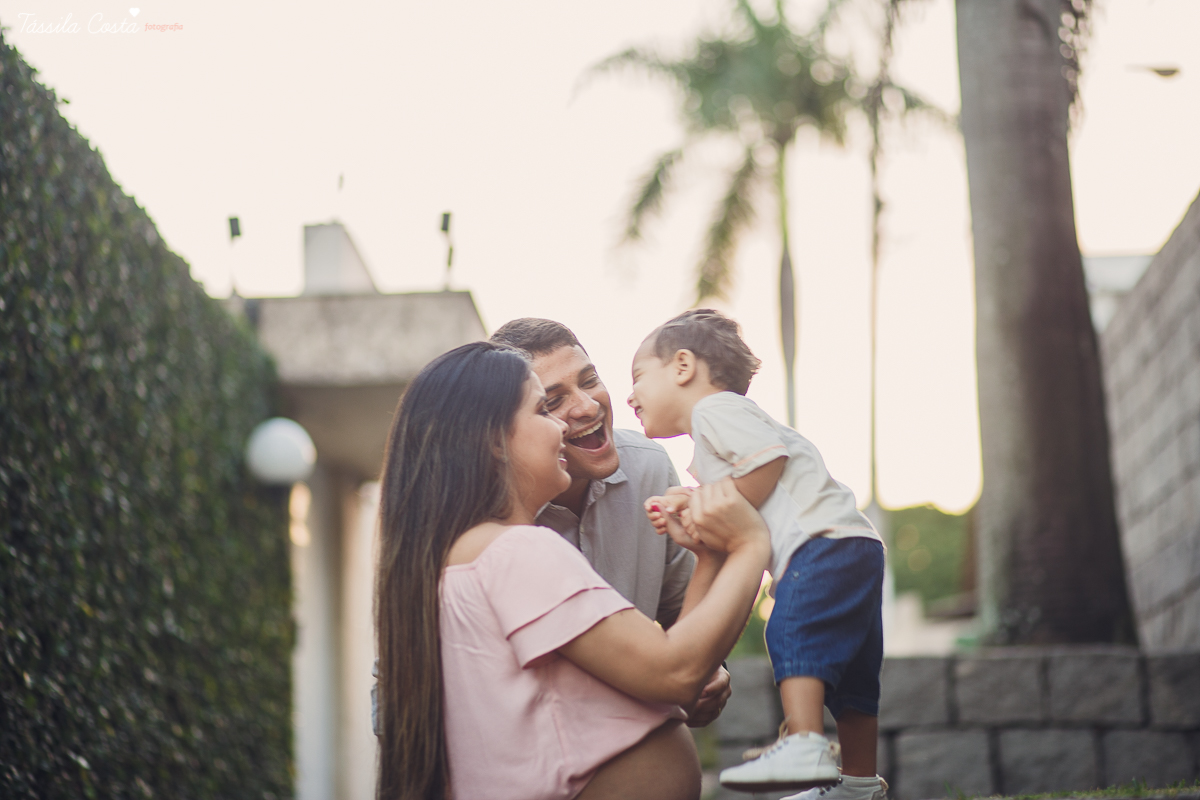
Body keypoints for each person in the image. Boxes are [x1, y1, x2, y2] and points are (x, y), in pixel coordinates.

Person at [375, 341, 772, 800]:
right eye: (545, 409)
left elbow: (665, 678)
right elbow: (675, 673)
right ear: (492, 439)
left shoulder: (468, 553)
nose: (564, 425)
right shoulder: (517, 551)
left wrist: (708, 559)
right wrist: (751, 545)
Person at [628, 310, 887, 800]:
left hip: (821, 544)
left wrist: (707, 499)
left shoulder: (714, 410)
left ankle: (805, 742)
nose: (630, 395)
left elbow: (767, 462)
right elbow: (733, 524)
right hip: (852, 544)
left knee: (789, 629)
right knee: (855, 679)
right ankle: (858, 783)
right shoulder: (719, 432)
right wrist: (700, 512)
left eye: (639, 376)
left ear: (682, 366)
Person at [490, 318, 731, 726]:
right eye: (552, 401)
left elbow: (681, 613)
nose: (587, 405)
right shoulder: (497, 521)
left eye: (589, 380)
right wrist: (750, 545)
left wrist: (711, 671)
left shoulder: (650, 468)